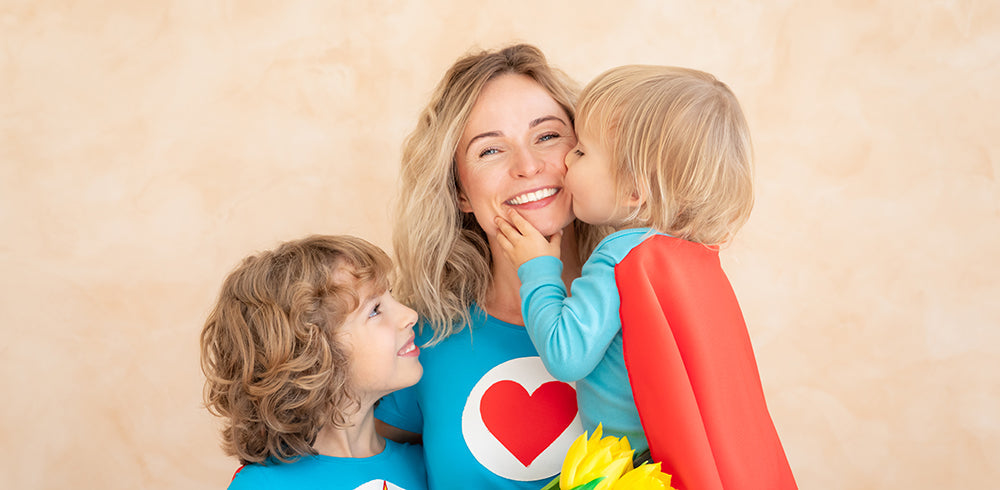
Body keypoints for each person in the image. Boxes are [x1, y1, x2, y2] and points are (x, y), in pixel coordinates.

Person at [493, 65, 797, 490]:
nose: (564, 160)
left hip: (636, 470)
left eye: (581, 152)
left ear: (635, 190)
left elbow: (566, 356)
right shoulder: (694, 258)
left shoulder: (621, 256)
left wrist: (538, 268)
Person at [374, 44, 607, 488]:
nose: (529, 166)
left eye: (547, 136)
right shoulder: (420, 339)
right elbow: (365, 462)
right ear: (460, 192)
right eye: (490, 151)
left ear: (584, 152)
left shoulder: (643, 310)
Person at [200, 235, 428, 490]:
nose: (410, 315)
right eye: (375, 310)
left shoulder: (429, 465)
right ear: (313, 355)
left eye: (391, 295)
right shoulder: (261, 485)